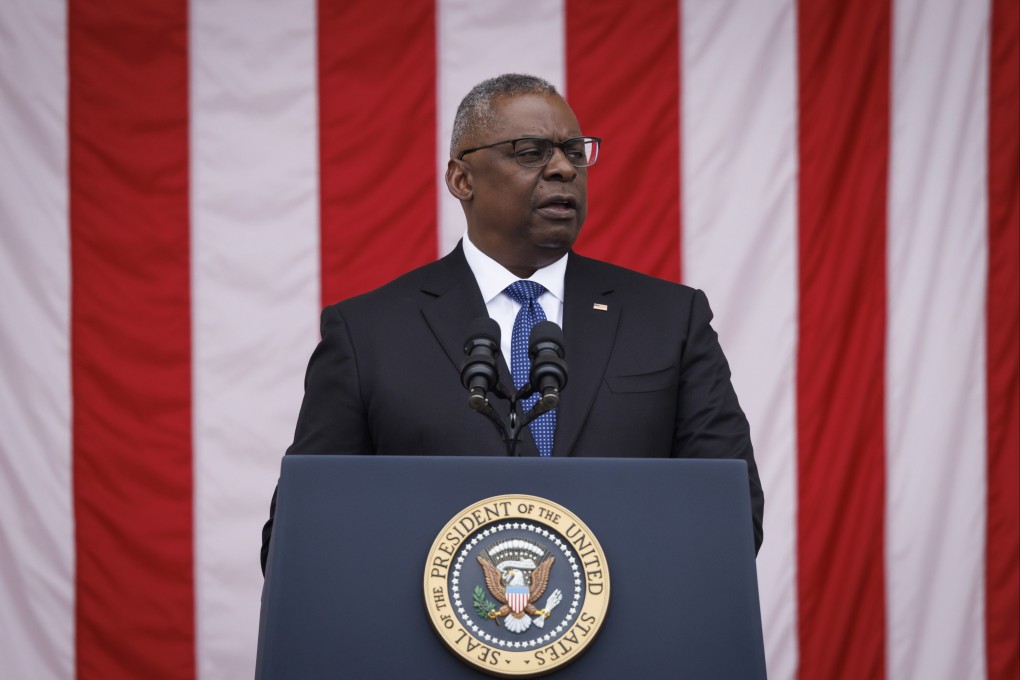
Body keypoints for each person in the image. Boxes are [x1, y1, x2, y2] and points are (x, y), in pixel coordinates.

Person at [261, 74, 763, 572]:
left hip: (630, 641)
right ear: (462, 179)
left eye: (573, 150)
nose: (564, 169)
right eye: (531, 152)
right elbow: (302, 536)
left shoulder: (670, 320)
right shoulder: (368, 334)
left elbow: (733, 510)